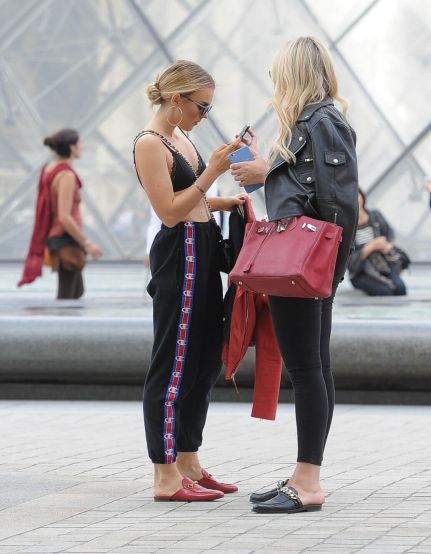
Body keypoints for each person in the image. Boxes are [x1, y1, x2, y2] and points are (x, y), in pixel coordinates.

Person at [231, 37, 358, 513]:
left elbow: (337, 203)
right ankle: (304, 473)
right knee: (314, 368)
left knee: (306, 370)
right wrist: (267, 169)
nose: (273, 82)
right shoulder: (314, 122)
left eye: (277, 73)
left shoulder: (321, 122)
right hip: (306, 265)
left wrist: (327, 268)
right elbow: (307, 188)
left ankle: (307, 482)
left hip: (301, 264)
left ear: (294, 74)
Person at [133, 60, 245, 502]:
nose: (205, 115)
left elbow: (194, 201)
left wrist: (226, 198)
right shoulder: (149, 142)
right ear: (176, 100)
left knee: (203, 361)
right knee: (174, 362)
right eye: (202, 106)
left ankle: (189, 461)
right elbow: (169, 211)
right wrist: (211, 172)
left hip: (202, 246)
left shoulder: (181, 136)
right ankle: (165, 475)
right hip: (179, 255)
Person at [18, 129, 102, 298]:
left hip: (60, 237)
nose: (82, 146)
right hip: (66, 238)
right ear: (71, 147)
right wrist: (87, 244)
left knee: (75, 292)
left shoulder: (49, 169)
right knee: (68, 297)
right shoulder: (66, 176)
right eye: (79, 143)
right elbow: (64, 216)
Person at [348, 189, 407, 296]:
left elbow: (390, 236)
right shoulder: (347, 224)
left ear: (362, 196)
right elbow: (349, 261)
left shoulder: (375, 215)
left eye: (357, 195)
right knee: (384, 292)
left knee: (401, 289)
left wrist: (387, 246)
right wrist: (370, 247)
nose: (355, 199)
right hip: (361, 272)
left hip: (383, 265)